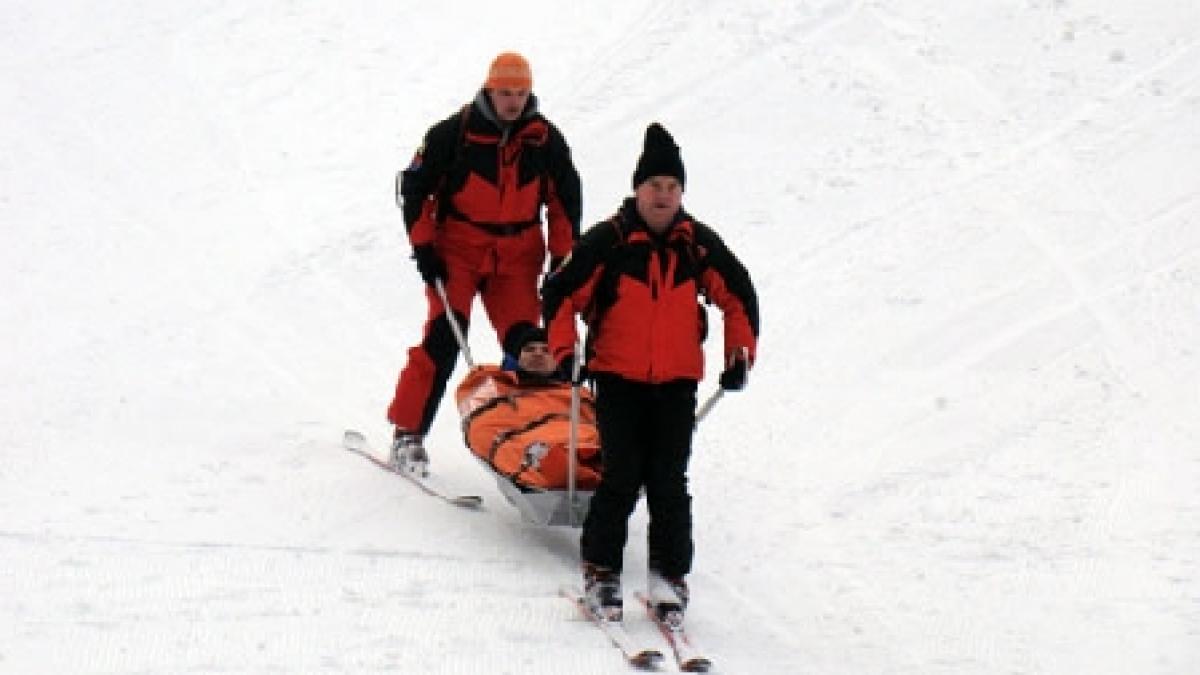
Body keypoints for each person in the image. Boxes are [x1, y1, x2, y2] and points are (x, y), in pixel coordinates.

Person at [541, 122, 759, 622]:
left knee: (667, 480)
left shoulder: (696, 244)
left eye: (671, 187)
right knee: (620, 476)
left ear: (681, 192)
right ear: (637, 189)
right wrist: (562, 349)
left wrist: (739, 354)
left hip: (677, 383)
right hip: (617, 379)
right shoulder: (609, 241)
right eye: (654, 186)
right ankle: (601, 571)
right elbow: (559, 294)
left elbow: (738, 297)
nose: (663, 196)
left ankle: (669, 576)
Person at [387, 52, 583, 476]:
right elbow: (416, 190)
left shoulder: (545, 140)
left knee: (532, 349)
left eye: (520, 93)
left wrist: (562, 260)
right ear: (489, 90)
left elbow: (565, 201)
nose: (513, 101)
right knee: (443, 340)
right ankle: (408, 434)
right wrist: (424, 248)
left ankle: (542, 441)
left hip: (518, 256)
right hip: (457, 250)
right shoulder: (451, 135)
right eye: (505, 92)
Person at [454, 326, 602, 491]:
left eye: (546, 350)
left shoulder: (578, 393)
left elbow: (597, 422)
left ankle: (587, 470)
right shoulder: (495, 385)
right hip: (528, 444)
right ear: (517, 357)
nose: (537, 353)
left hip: (579, 439)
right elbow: (480, 426)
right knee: (539, 456)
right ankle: (572, 470)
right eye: (529, 349)